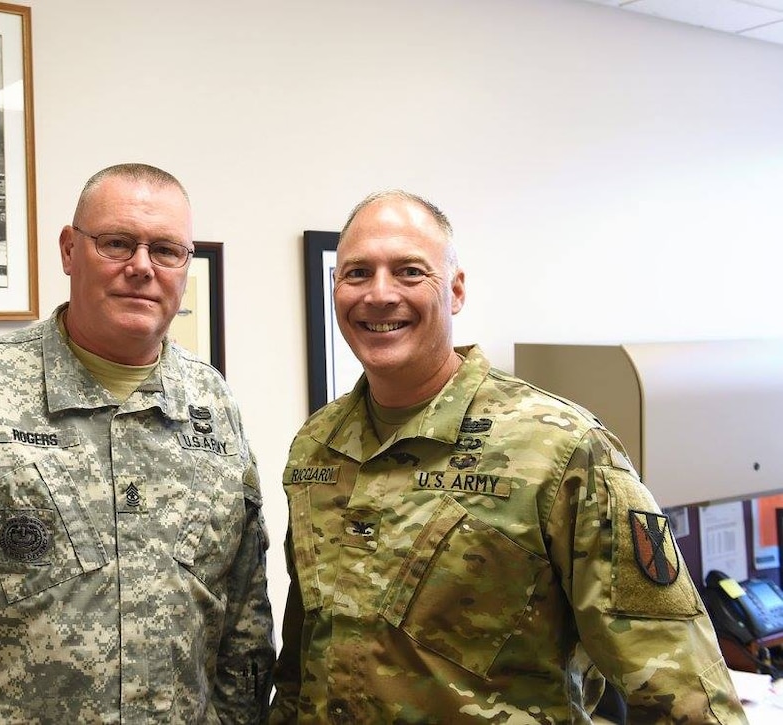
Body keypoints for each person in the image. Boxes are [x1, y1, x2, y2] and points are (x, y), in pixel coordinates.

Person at [269, 190, 745, 723]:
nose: (379, 294)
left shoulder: (560, 448)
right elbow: (304, 659)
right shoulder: (318, 446)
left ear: (455, 291)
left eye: (408, 271)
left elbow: (686, 692)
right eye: (357, 273)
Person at [0, 163, 275, 723]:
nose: (141, 267)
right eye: (117, 243)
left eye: (166, 250)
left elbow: (244, 618)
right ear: (70, 250)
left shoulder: (213, 408)